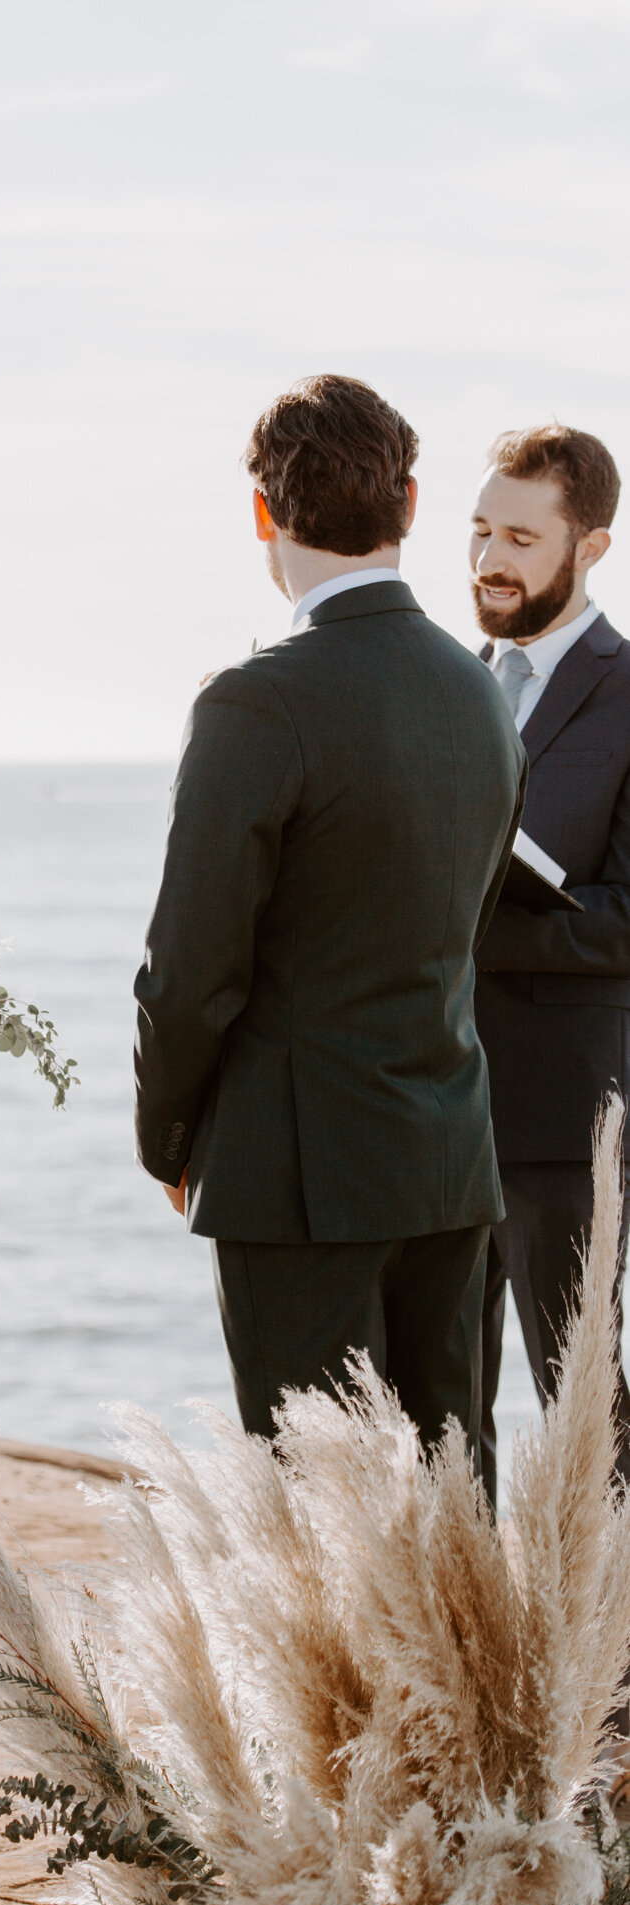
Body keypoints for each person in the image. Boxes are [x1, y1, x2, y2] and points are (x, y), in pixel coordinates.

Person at [135, 375, 524, 1457]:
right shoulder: (480, 691)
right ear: (408, 504)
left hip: (299, 1178)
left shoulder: (256, 700)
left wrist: (169, 1139)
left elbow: (189, 969)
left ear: (264, 512)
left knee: (321, 1526)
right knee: (452, 1514)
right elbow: (466, 926)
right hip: (448, 1162)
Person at [470, 426, 630, 1507]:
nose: (491, 556)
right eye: (480, 530)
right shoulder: (445, 681)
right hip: (425, 1101)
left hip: (564, 1124)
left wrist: (470, 918)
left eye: (522, 535)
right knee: (434, 1407)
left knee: (581, 1418)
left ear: (592, 544)